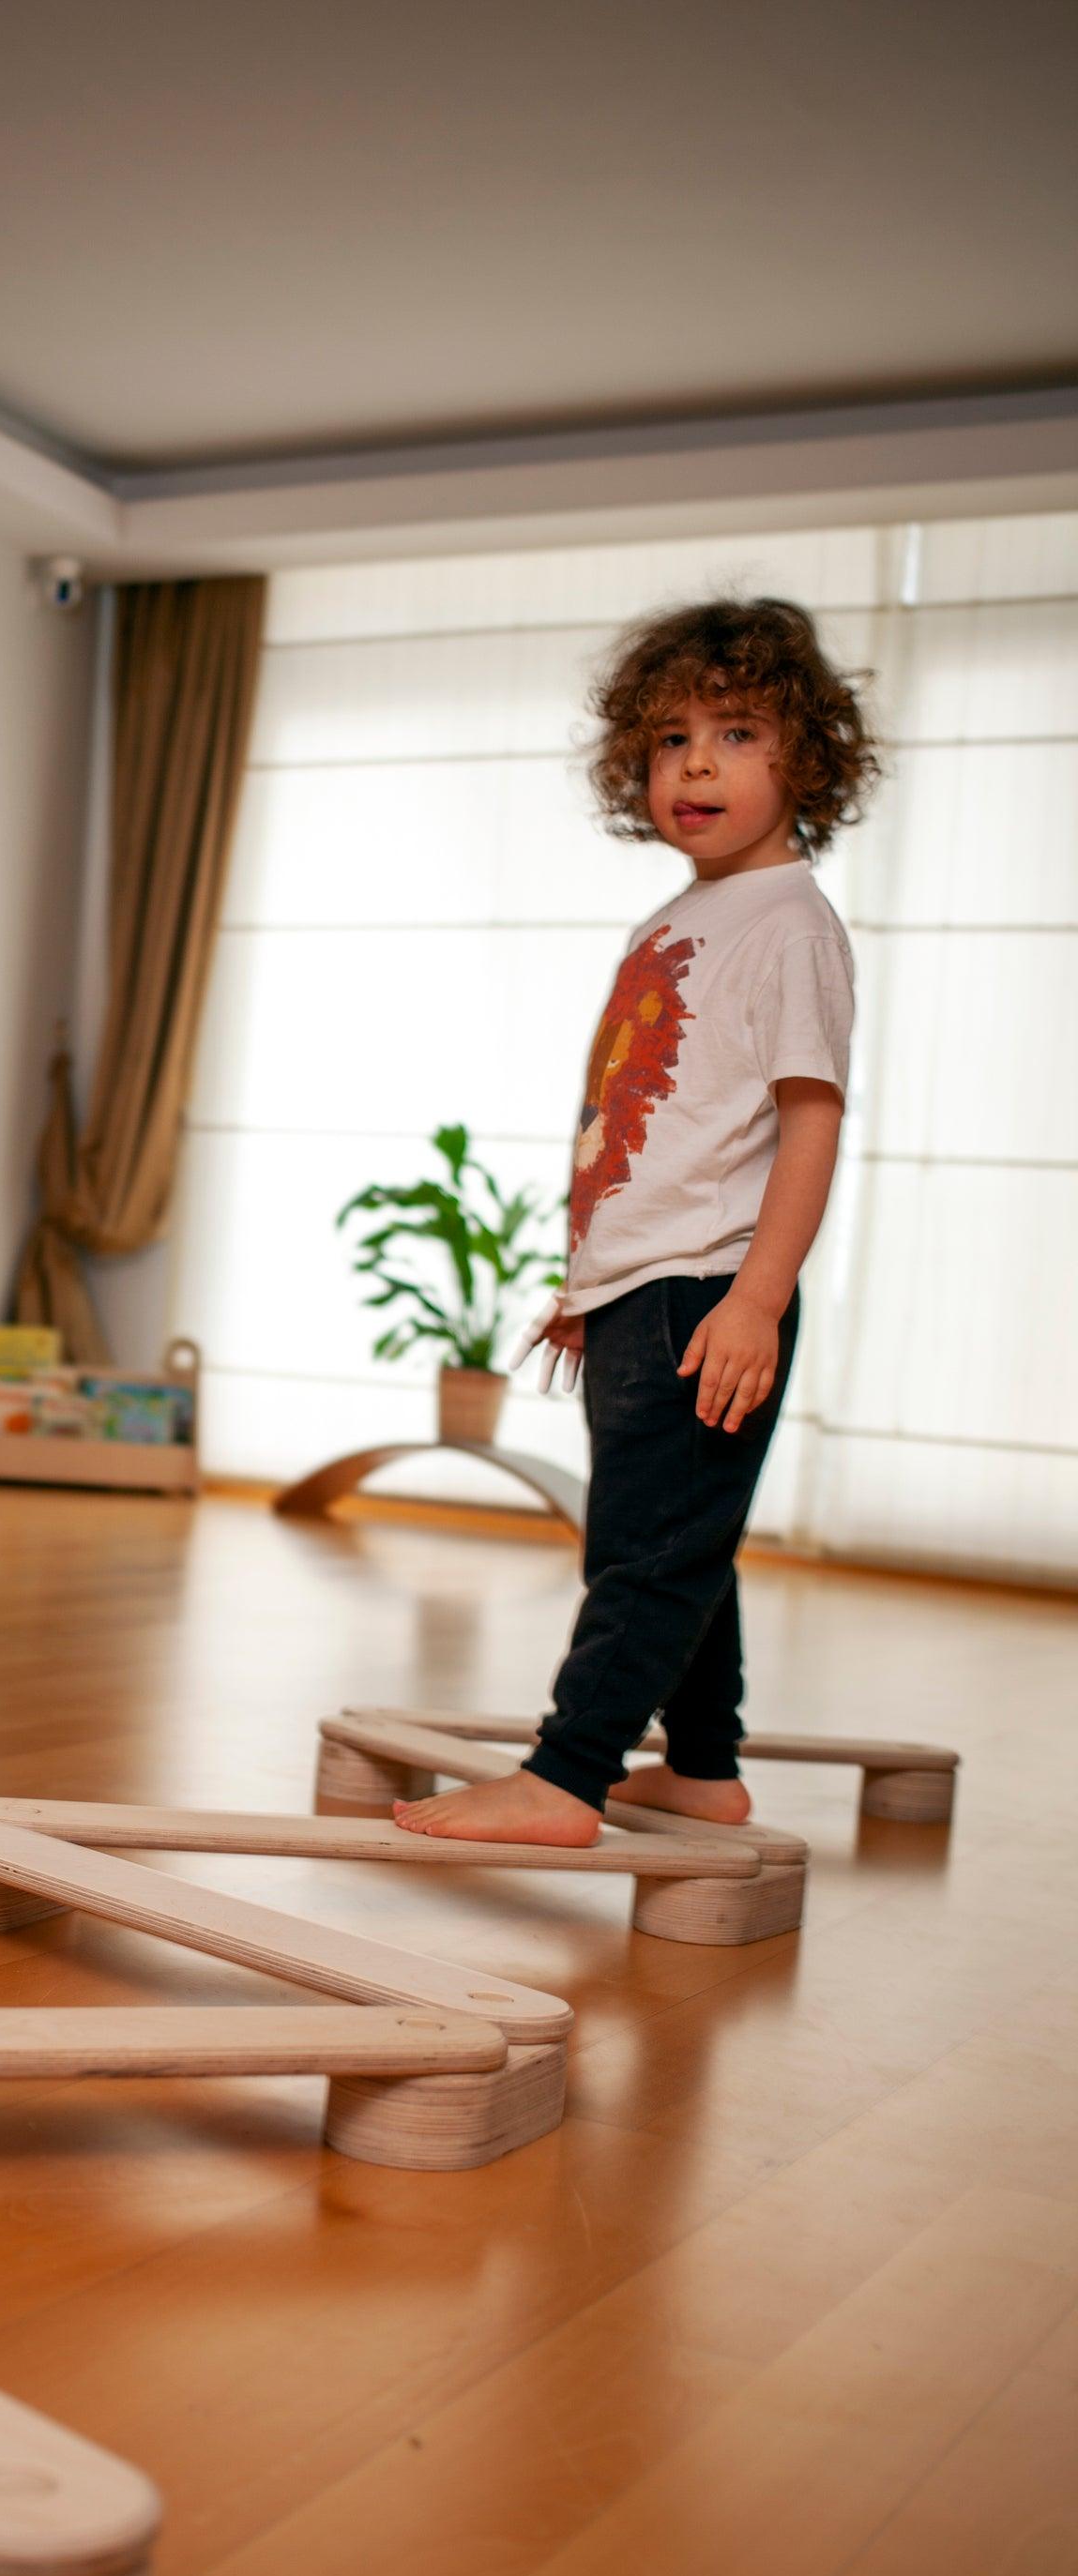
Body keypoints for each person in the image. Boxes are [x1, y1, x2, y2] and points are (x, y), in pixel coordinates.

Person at [397, 597, 878, 1845]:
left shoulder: (790, 925)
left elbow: (810, 1122)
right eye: (670, 741)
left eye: (737, 733)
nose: (697, 764)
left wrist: (756, 1299)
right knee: (677, 1537)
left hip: (709, 1289)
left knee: (643, 1551)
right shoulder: (676, 919)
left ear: (808, 758)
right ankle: (705, 1767)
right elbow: (647, 1129)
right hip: (640, 1287)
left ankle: (566, 1776)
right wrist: (592, 1280)